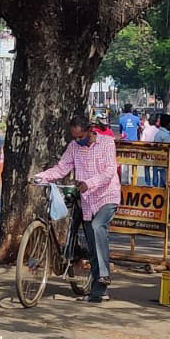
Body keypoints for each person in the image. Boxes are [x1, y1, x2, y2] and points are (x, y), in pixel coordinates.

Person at [33, 115, 120, 303]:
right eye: (75, 137)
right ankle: (98, 293)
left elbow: (109, 172)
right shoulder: (74, 147)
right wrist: (40, 177)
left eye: (81, 136)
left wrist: (89, 183)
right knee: (92, 243)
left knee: (97, 227)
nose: (78, 140)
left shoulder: (107, 143)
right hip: (87, 200)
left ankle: (104, 273)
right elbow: (61, 169)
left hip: (107, 195)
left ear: (90, 130)